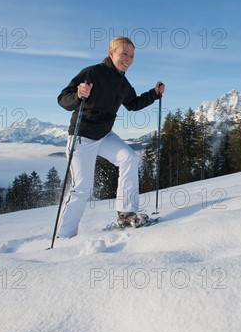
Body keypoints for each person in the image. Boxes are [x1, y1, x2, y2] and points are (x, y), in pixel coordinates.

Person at [56, 36, 165, 238]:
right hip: (82, 136)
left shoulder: (122, 82)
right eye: (124, 53)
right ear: (111, 52)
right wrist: (79, 94)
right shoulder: (93, 72)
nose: (129, 59)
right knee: (82, 187)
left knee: (129, 157)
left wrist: (154, 94)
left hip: (104, 135)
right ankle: (64, 235)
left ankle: (126, 214)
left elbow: (133, 104)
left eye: (132, 55)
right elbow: (63, 99)